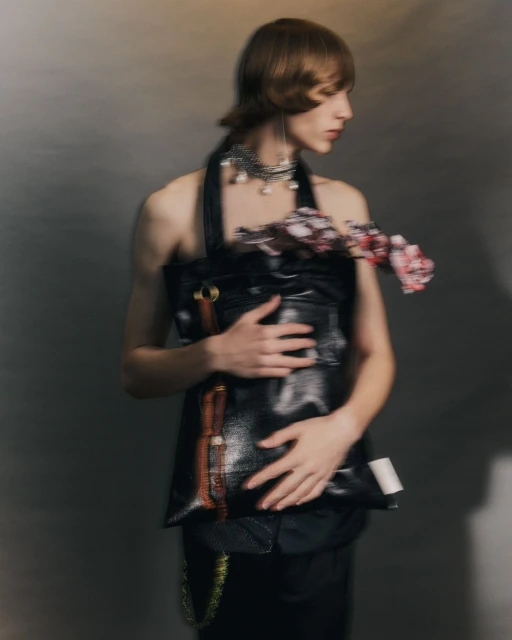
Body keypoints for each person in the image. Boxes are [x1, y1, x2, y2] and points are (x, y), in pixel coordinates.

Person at [121, 17, 404, 640]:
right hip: (226, 503)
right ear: (281, 89)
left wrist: (342, 430)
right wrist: (214, 353)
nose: (347, 111)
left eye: (347, 92)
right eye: (329, 93)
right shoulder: (174, 209)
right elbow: (136, 370)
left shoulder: (344, 205)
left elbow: (376, 352)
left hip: (323, 492)